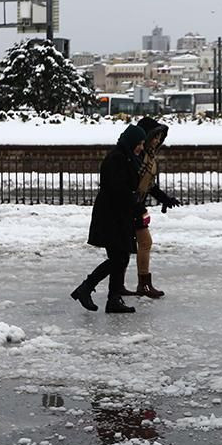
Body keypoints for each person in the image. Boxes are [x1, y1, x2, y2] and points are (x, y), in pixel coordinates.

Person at [70, 125, 146, 314]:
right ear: (131, 142)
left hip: (119, 214)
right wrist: (136, 205)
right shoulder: (117, 158)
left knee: (121, 257)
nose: (141, 147)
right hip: (111, 215)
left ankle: (112, 298)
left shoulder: (128, 157)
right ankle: (88, 288)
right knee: (119, 257)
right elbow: (118, 189)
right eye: (139, 143)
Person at [129, 117, 181, 298]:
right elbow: (133, 184)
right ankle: (141, 284)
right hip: (131, 207)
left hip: (135, 206)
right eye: (155, 137)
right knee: (142, 243)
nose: (158, 141)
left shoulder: (148, 157)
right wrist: (137, 206)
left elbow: (149, 185)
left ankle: (136, 284)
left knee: (134, 245)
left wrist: (164, 199)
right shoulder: (138, 157)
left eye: (160, 137)